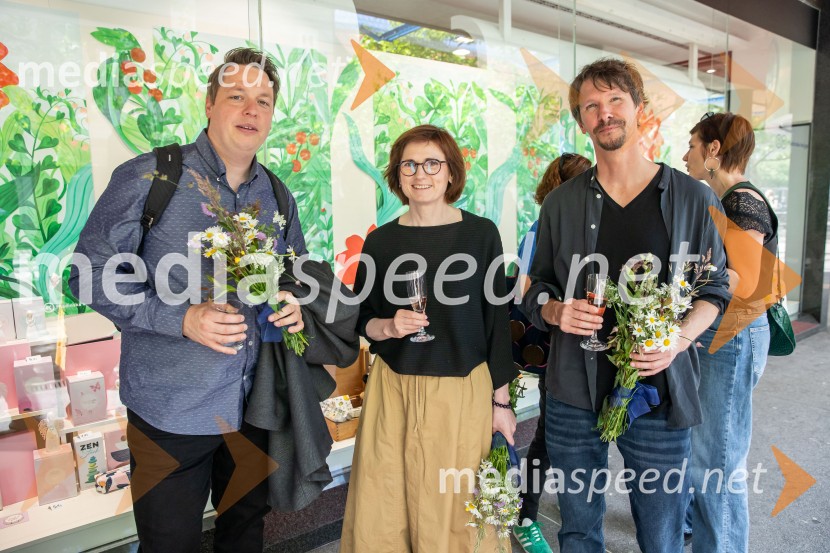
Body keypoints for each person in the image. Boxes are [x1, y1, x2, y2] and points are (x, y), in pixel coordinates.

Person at [70, 48, 307, 553]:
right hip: (169, 411)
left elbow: (296, 273)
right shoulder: (151, 176)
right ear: (209, 104)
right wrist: (180, 319)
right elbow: (87, 273)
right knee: (168, 544)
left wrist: (293, 302)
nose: (251, 110)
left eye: (263, 101)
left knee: (245, 534)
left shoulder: (278, 194)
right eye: (237, 96)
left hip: (254, 406)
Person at [520, 58, 731, 553]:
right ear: (581, 121)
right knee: (577, 530)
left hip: (658, 388)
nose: (605, 113)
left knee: (661, 534)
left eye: (616, 100)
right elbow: (534, 288)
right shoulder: (560, 204)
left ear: (640, 109)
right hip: (574, 387)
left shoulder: (691, 197)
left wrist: (677, 341)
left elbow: (716, 289)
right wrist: (554, 311)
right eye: (591, 106)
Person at [340, 124, 519, 553]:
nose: (421, 174)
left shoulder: (481, 235)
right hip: (394, 391)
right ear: (397, 175)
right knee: (386, 508)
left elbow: (496, 325)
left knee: (457, 511)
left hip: (462, 392)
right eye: (410, 165)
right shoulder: (381, 242)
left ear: (451, 172)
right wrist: (389, 326)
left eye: (432, 164)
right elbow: (361, 319)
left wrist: (501, 404)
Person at [682, 112, 773, 553]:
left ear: (713, 150)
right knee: (707, 453)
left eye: (692, 145)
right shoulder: (724, 199)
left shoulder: (742, 200)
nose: (685, 155)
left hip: (732, 334)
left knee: (716, 460)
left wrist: (685, 288)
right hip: (723, 331)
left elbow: (746, 279)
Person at [511, 153, 591, 553]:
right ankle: (525, 516)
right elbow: (522, 290)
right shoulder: (540, 229)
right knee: (547, 436)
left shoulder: (584, 227)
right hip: (554, 349)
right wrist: (557, 309)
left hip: (584, 351)